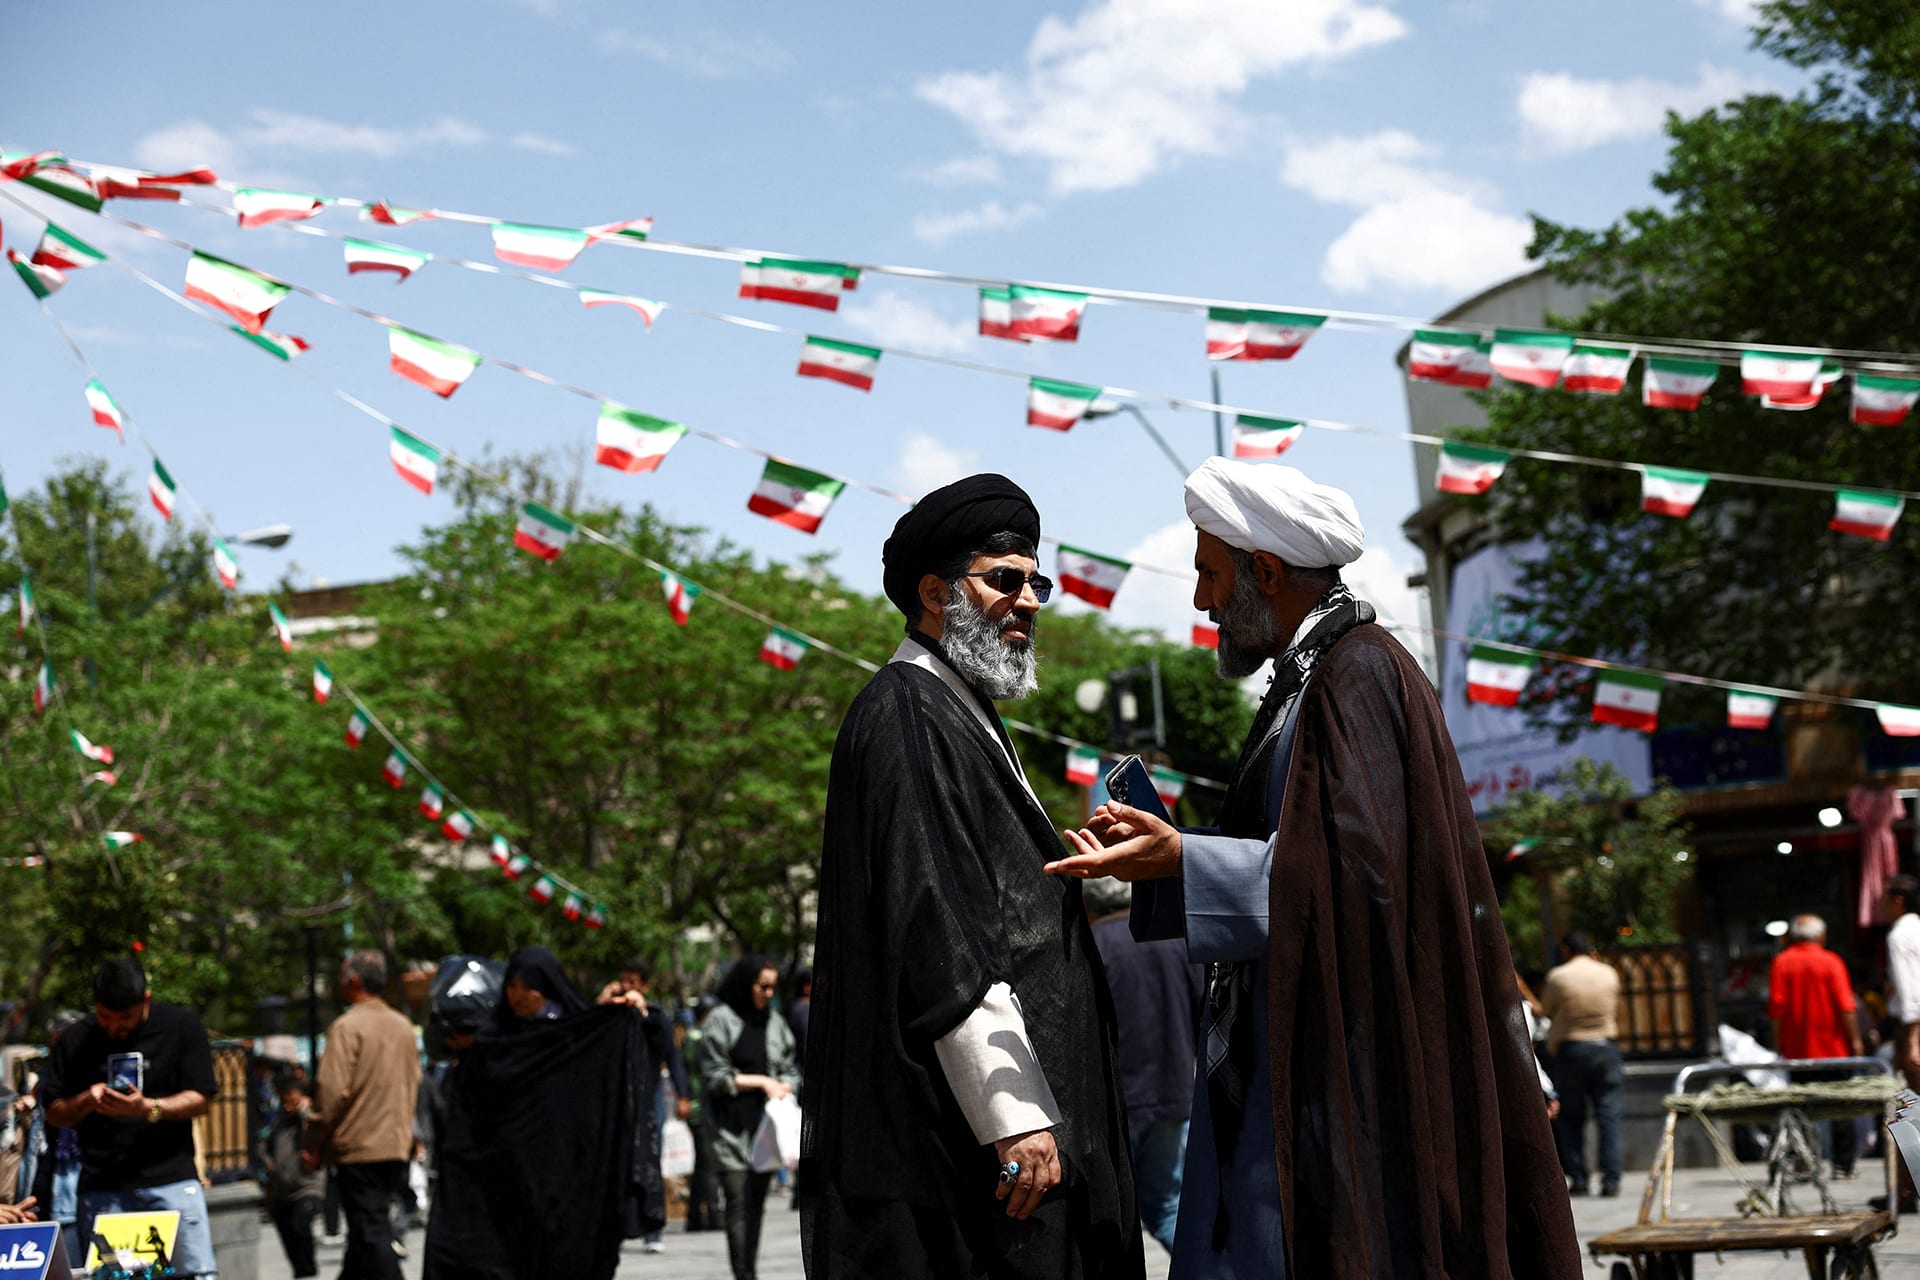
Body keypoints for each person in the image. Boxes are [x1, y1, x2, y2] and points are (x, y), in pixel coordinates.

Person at [1050, 459, 1579, 1278]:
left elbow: (1362, 880)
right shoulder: (1314, 676)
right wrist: (1165, 859)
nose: (1202, 601)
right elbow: (1308, 854)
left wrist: (1185, 858)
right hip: (1301, 1045)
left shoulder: (1357, 671)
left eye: (1210, 575)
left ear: (1265, 571)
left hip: (1347, 1063)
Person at [802, 473, 1142, 1280]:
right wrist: (1015, 1116)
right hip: (983, 1147)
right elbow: (937, 925)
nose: (1028, 601)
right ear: (934, 591)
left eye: (1037, 583)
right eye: (1004, 580)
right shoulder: (905, 710)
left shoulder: (959, 707)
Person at [423, 946, 656, 1280]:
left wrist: (629, 1013)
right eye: (511, 986)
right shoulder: (495, 1040)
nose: (517, 995)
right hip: (503, 1180)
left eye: (526, 986)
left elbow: (626, 1055)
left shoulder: (574, 1035)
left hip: (562, 1178)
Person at [42, 957, 220, 1280]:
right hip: (103, 1189)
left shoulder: (181, 1026)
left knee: (193, 1274)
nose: (115, 1027)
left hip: (171, 1182)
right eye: (104, 1017)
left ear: (146, 1001)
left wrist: (147, 1108)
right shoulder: (75, 1040)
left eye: (125, 1017)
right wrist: (86, 1100)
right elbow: (54, 1112)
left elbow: (201, 1098)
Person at [1083, 877, 1201, 1256]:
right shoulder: (1175, 941)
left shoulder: (1092, 944)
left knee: (1104, 1216)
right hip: (1173, 1092)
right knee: (1168, 1207)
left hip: (1114, 1104)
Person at [302, 950, 421, 1280]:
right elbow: (414, 1084)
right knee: (365, 1232)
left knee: (371, 1233)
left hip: (359, 1149)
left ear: (353, 980)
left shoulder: (347, 1027)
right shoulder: (403, 1027)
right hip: (395, 1146)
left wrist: (312, 1142)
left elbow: (329, 1092)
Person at [701, 957, 799, 1280]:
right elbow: (715, 1075)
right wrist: (760, 1081)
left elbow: (789, 1068)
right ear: (746, 985)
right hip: (729, 1130)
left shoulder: (775, 1023)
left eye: (773, 986)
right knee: (738, 1203)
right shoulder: (721, 1020)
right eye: (762, 986)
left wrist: (786, 1084)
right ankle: (744, 1275)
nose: (769, 993)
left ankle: (750, 1271)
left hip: (765, 1130)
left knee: (755, 1206)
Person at [597, 957, 688, 1254]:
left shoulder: (655, 1015)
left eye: (633, 982)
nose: (627, 987)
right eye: (624, 980)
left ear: (644, 986)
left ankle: (653, 1228)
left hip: (649, 1101)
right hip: (616, 1102)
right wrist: (602, 1004)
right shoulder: (612, 1014)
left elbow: (669, 1052)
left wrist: (683, 1094)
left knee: (650, 1159)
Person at [1768, 914, 1864, 1176]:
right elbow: (1846, 1006)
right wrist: (1855, 1040)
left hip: (1798, 1050)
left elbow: (1776, 1007)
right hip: (1834, 1048)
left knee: (1801, 1108)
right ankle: (1843, 1166)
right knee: (1842, 1106)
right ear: (1821, 936)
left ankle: (1806, 1161)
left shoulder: (1782, 962)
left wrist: (1778, 1041)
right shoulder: (1830, 961)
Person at [1540, 931, 1625, 1198]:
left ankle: (1579, 1177)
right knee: (1608, 1116)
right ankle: (1611, 1180)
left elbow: (1548, 1009)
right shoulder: (1608, 973)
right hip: (1605, 1048)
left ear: (1566, 950)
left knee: (1571, 1119)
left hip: (1571, 1050)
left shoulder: (1558, 976)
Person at [1878, 875, 1920, 1213]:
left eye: (1884, 899)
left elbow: (1909, 993)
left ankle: (1907, 1190)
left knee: (1904, 1111)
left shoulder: (1899, 934)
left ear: (1898, 901)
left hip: (1913, 1026)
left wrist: (1910, 1040)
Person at [261, 1072, 325, 1278]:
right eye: (285, 1102)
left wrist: (306, 1113)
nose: (288, 1107)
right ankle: (300, 1269)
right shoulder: (278, 1122)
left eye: (293, 1101)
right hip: (282, 1189)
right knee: (286, 1230)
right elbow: (263, 1146)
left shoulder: (311, 1119)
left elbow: (316, 1137)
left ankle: (308, 1268)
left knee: (301, 1223)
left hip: (309, 1186)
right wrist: (269, 1165)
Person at [683, 997, 723, 1234]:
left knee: (701, 1163)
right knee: (708, 1162)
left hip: (698, 1107)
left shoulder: (691, 1036)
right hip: (702, 1108)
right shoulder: (700, 1038)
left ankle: (694, 1216)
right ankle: (715, 1213)